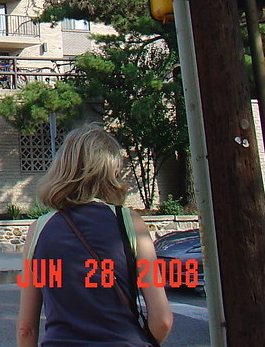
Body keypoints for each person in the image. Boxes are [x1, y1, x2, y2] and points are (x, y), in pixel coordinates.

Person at [16, 123, 173, 347]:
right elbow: (163, 321)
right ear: (111, 170)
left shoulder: (39, 230)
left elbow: (26, 329)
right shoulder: (130, 223)